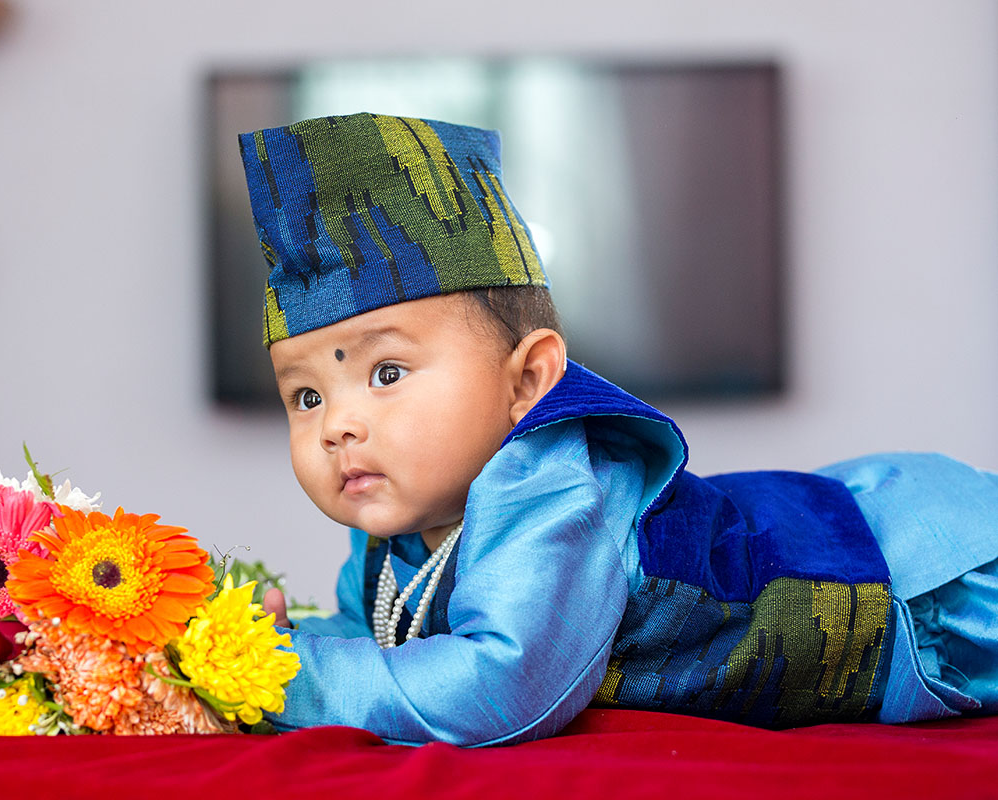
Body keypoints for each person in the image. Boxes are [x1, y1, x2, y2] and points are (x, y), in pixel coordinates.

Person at [239, 112, 998, 746]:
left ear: (529, 381)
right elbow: (377, 636)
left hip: (929, 581)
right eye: (306, 398)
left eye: (388, 375)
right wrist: (263, 639)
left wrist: (271, 675)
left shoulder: (551, 488)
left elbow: (501, 687)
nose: (338, 425)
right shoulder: (398, 527)